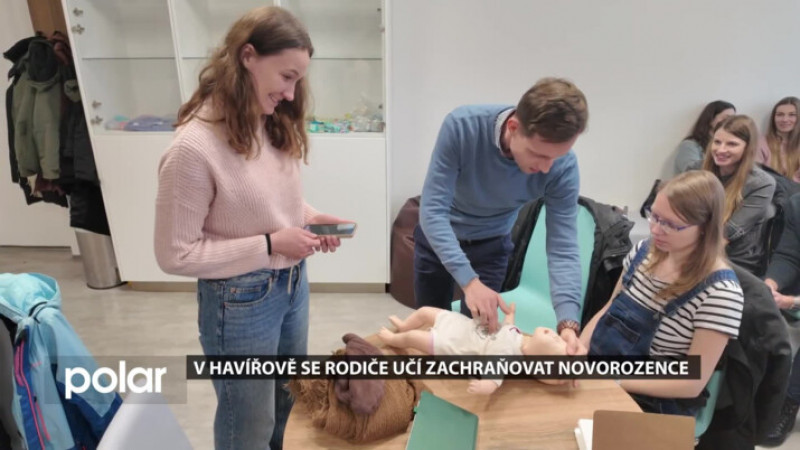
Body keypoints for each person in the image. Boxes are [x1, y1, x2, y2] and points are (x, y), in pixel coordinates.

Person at [153, 7, 349, 449]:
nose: (291, 92)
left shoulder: (267, 119)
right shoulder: (193, 149)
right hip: (239, 301)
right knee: (248, 425)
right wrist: (270, 244)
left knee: (288, 404)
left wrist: (309, 216)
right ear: (247, 57)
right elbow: (174, 255)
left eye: (298, 80)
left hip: (292, 283)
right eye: (286, 76)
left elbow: (262, 202)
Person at [414, 77, 589, 354]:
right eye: (538, 154)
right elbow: (433, 211)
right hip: (439, 238)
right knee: (429, 332)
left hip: (492, 245)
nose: (547, 168)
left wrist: (568, 323)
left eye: (556, 157)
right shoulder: (462, 127)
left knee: (479, 341)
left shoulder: (563, 167)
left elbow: (563, 247)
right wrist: (469, 281)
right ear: (513, 127)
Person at [580, 171, 744, 417]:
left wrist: (614, 381)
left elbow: (692, 381)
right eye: (654, 216)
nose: (656, 229)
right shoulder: (643, 252)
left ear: (704, 228)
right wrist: (579, 352)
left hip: (651, 399)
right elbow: (608, 308)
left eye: (670, 224)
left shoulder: (720, 293)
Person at [377, 304, 567, 394]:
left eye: (556, 342)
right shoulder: (519, 338)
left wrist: (485, 386)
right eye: (560, 338)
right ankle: (404, 325)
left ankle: (394, 338)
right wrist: (510, 316)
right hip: (461, 326)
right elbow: (508, 328)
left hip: (451, 344)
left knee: (413, 338)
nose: (555, 335)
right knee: (425, 311)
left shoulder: (507, 355)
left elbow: (494, 375)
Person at [696, 115, 776, 274]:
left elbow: (727, 234)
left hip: (735, 262)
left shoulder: (761, 183)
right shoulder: (696, 170)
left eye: (731, 144)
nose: (721, 150)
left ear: (748, 148)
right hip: (696, 250)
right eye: (717, 142)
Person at [762, 192, 800, 446]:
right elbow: (789, 255)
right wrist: (770, 284)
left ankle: (790, 399)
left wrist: (793, 301)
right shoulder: (798, 204)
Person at [674, 100, 736, 174]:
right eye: (726, 119)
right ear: (711, 120)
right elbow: (691, 172)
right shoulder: (690, 145)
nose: (730, 123)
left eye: (733, 119)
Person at [757, 96, 800, 183]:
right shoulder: (760, 143)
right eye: (780, 114)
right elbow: (756, 178)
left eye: (792, 115)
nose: (785, 119)